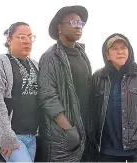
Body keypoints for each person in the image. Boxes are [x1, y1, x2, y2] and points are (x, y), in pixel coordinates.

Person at [89, 33, 137, 162]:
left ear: (129, 51)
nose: (120, 52)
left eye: (124, 48)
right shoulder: (98, 77)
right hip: (106, 151)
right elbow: (90, 113)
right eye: (114, 49)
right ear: (107, 55)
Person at [0, 22, 39, 162]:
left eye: (30, 37)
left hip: (32, 137)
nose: (27, 41)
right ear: (9, 40)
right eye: (22, 37)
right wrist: (7, 137)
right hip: (13, 137)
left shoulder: (36, 65)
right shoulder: (2, 63)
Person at [37, 5, 92, 162]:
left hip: (84, 132)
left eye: (81, 23)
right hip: (62, 138)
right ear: (60, 28)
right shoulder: (51, 57)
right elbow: (47, 97)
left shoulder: (82, 54)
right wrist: (68, 130)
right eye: (73, 23)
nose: (79, 27)